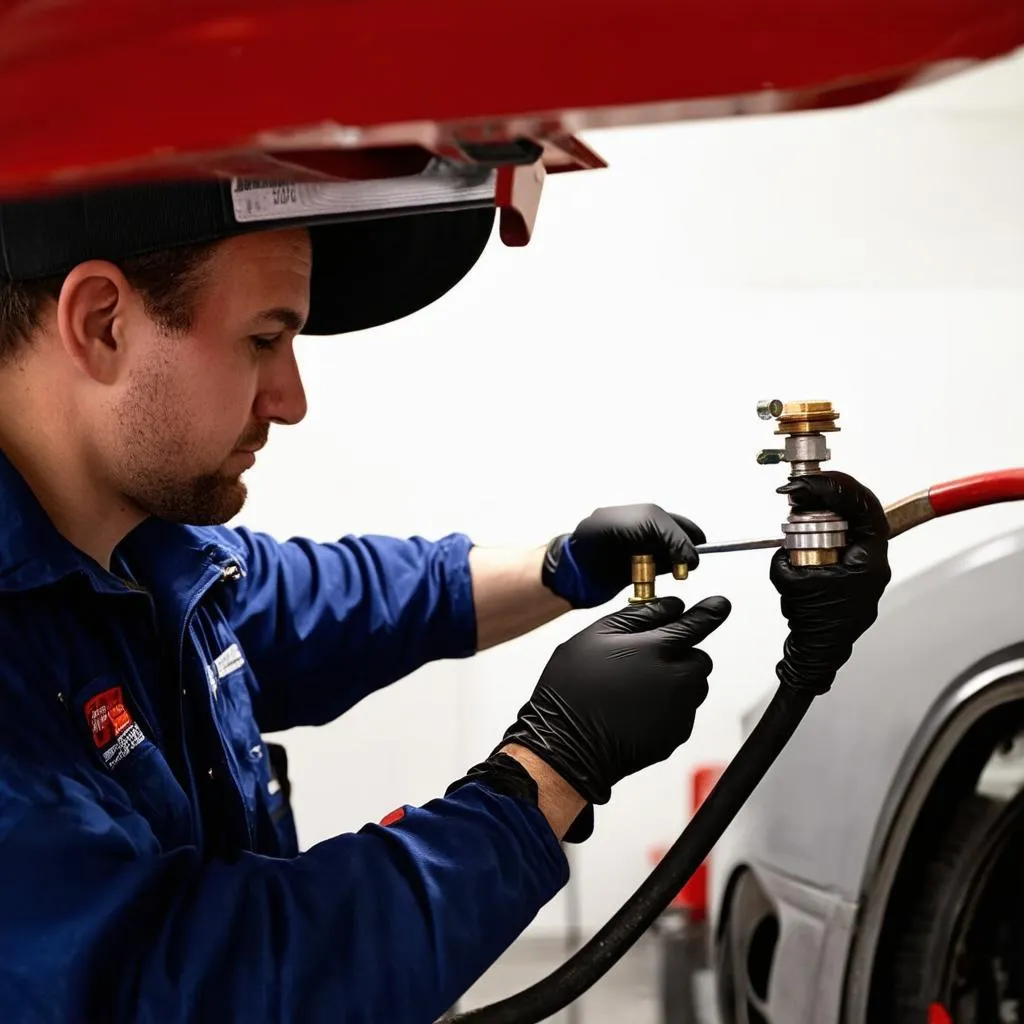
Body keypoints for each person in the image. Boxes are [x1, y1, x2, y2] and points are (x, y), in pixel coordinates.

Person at [0, 179, 891, 1024]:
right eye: (264, 340)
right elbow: (194, 988)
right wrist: (550, 770)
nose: (293, 398)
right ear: (103, 324)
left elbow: (340, 603)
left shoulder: (143, 560)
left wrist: (566, 566)